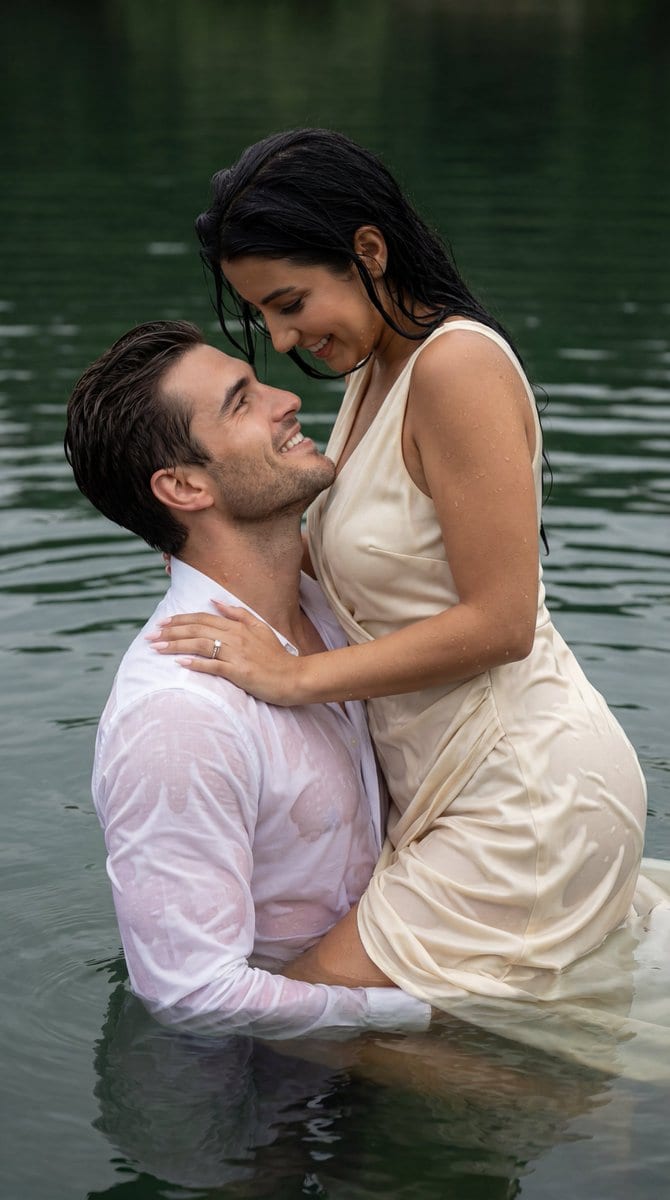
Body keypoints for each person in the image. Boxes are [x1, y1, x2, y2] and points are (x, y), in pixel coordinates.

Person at [152, 128, 649, 1007]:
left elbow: (503, 622)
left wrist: (295, 679)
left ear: (369, 252)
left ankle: (568, 1081)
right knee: (341, 1034)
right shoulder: (375, 371)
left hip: (524, 790)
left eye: (290, 302)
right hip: (453, 783)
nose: (282, 337)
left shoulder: (454, 367)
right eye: (264, 314)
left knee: (298, 1018)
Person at [64, 318, 431, 1038]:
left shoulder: (336, 611)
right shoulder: (177, 716)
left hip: (396, 985)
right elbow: (193, 995)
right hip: (276, 1083)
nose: (287, 399)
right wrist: (430, 1021)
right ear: (183, 485)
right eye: (241, 402)